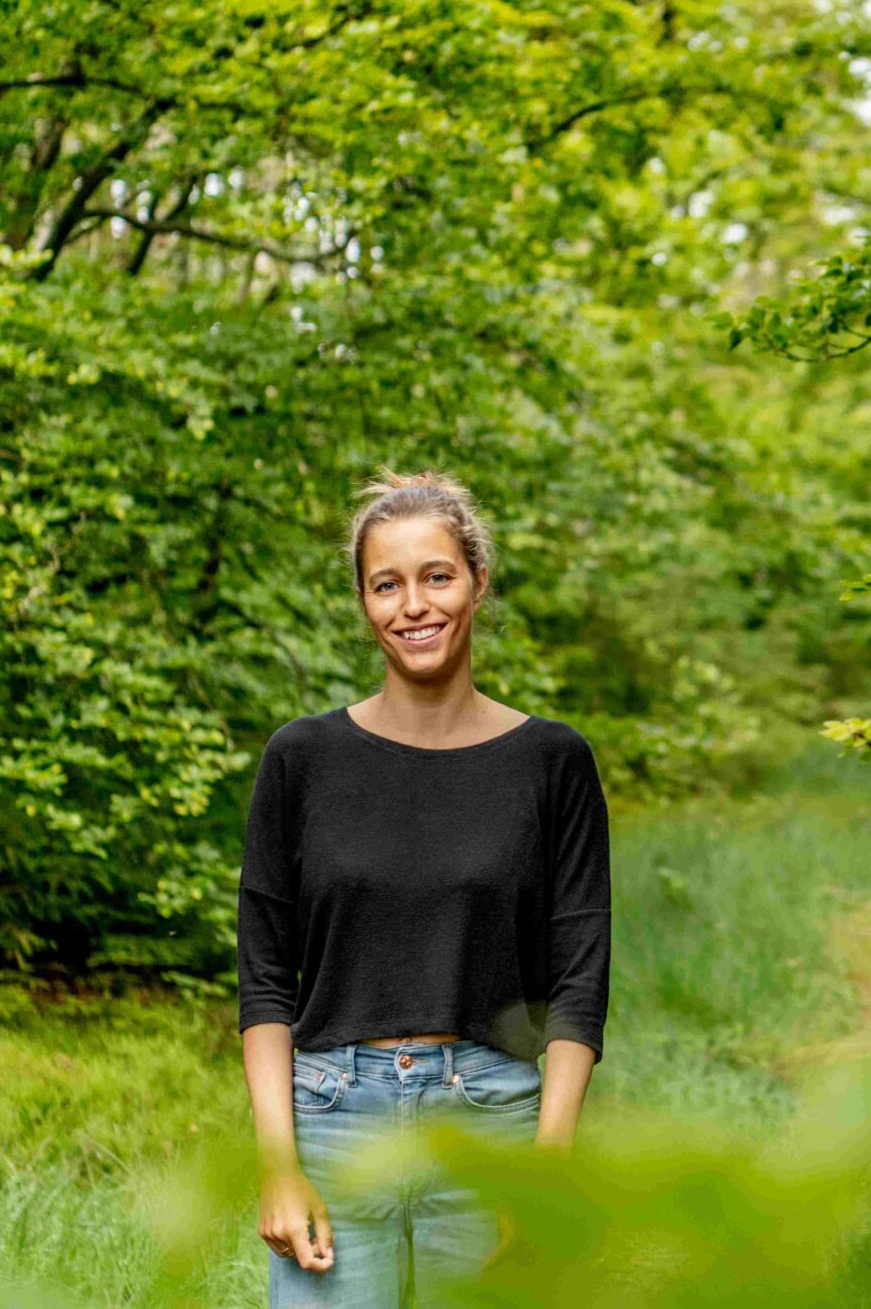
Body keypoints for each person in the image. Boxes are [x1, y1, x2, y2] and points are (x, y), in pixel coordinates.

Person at [236, 467, 612, 1306]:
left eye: (437, 575)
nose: (414, 605)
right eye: (387, 584)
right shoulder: (300, 759)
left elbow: (579, 983)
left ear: (478, 581)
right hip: (332, 1123)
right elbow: (264, 982)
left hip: (492, 1123)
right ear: (365, 603)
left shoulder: (553, 762)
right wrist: (277, 1162)